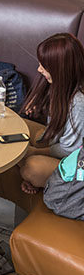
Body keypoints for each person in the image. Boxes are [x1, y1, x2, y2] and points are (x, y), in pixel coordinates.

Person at [19, 33, 84, 194]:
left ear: (60, 69)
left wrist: (35, 152)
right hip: (67, 149)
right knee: (18, 128)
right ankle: (42, 181)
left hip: (77, 163)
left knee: (31, 167)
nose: (39, 69)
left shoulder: (79, 102)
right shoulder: (65, 84)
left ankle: (39, 180)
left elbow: (71, 150)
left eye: (44, 66)